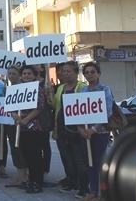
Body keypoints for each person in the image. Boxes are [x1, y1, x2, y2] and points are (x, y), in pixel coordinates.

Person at [46, 61, 88, 198]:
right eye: (63, 71)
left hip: (76, 131)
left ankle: (83, 187)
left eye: (68, 71)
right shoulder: (60, 88)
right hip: (62, 130)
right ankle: (72, 182)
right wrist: (49, 94)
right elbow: (54, 105)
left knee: (79, 159)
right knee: (67, 159)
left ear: (76, 73)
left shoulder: (82, 87)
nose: (65, 73)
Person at [78, 62, 114, 201]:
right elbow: (76, 113)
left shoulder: (105, 89)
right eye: (87, 72)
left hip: (100, 132)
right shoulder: (82, 91)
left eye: (93, 72)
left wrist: (94, 129)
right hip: (85, 133)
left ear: (98, 74)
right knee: (89, 162)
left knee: (100, 162)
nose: (89, 75)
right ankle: (93, 190)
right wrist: (81, 129)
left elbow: (108, 112)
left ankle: (104, 191)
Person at [11, 65, 48, 194]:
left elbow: (39, 107)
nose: (26, 75)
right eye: (24, 73)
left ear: (34, 75)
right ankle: (31, 180)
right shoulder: (16, 89)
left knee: (35, 156)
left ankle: (38, 182)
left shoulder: (38, 89)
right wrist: (15, 115)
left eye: (29, 73)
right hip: (21, 129)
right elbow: (11, 105)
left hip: (34, 128)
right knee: (26, 155)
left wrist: (26, 120)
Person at [3, 66, 28, 188]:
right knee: (14, 149)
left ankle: (25, 176)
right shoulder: (7, 89)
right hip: (10, 124)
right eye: (9, 74)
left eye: (14, 74)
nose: (11, 76)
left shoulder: (26, 88)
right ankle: (19, 174)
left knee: (22, 149)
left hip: (23, 124)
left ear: (19, 75)